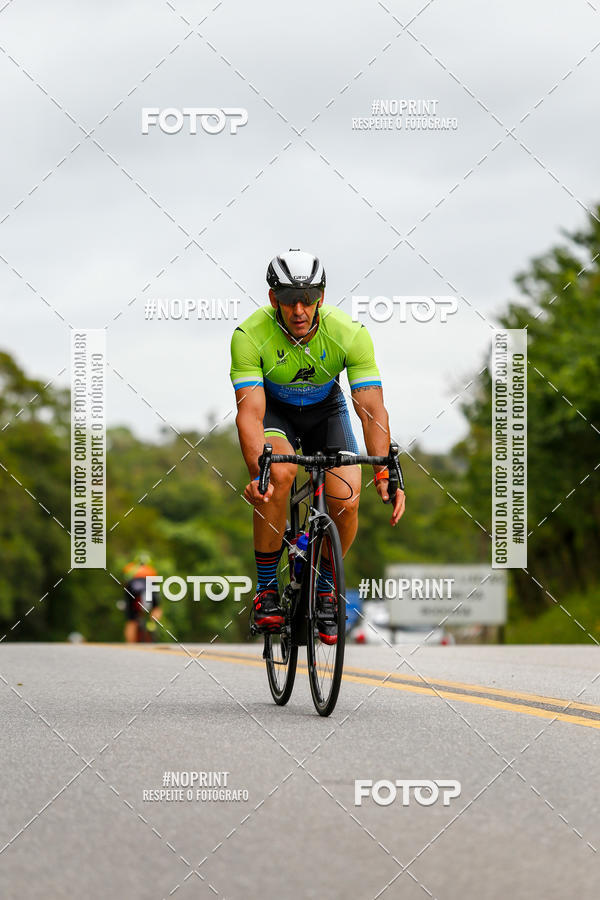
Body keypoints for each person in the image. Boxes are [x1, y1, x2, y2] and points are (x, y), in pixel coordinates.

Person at [229, 249, 405, 643]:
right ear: (273, 298)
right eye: (289, 298)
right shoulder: (248, 336)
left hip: (326, 411)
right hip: (276, 413)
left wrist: (383, 471)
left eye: (308, 299)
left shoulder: (349, 333)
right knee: (278, 474)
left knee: (346, 496)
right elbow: (250, 415)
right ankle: (266, 591)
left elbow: (372, 409)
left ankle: (326, 585)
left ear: (321, 298)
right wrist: (258, 474)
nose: (298, 309)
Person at [122, 553, 162, 643]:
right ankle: (152, 623)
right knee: (157, 607)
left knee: (131, 620)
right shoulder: (151, 570)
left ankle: (130, 643)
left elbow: (126, 583)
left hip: (132, 592)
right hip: (149, 590)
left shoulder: (129, 568)